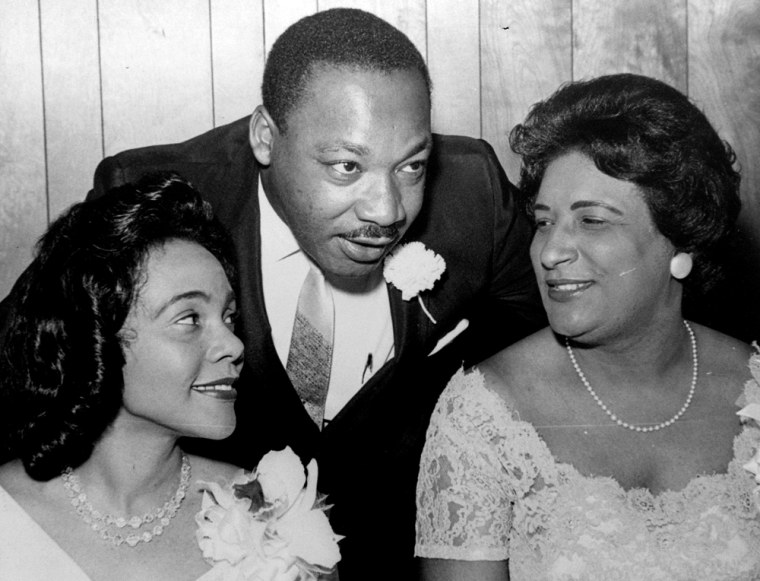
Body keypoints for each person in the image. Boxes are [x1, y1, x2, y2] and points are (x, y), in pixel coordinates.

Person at [55, 8, 545, 578]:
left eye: (410, 167)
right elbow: (25, 365)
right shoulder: (163, 197)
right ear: (265, 136)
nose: (386, 211)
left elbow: (576, 331)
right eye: (345, 166)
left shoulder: (470, 193)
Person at [415, 73, 760, 580]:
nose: (550, 251)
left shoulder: (755, 389)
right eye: (544, 221)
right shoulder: (485, 413)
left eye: (592, 221)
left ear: (681, 244)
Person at [0, 173, 246, 580]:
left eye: (229, 317)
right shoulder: (7, 515)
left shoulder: (278, 516)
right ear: (96, 336)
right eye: (189, 318)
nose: (235, 346)